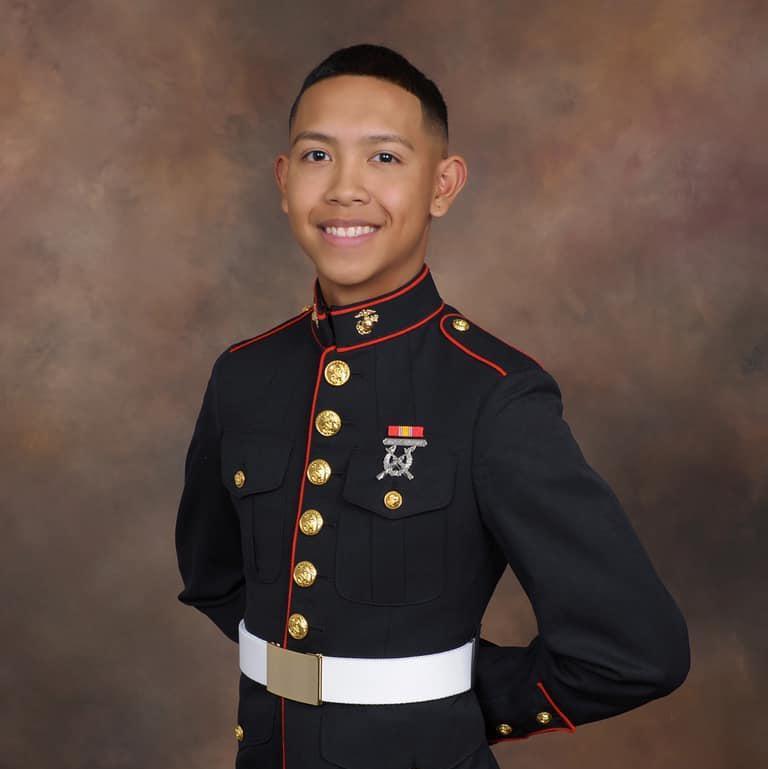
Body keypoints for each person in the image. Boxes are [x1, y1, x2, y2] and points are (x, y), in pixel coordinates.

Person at [174, 43, 690, 769]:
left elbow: (636, 650)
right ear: (284, 182)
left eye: (384, 157)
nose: (345, 189)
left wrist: (444, 702)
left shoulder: (493, 393)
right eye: (318, 156)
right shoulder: (243, 374)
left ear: (442, 186)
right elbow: (213, 576)